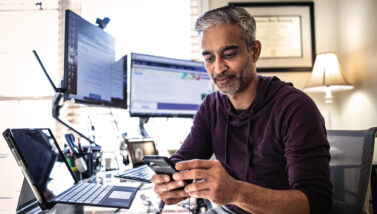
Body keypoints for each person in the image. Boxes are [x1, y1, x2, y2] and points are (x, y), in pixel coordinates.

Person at [151, 6, 332, 214]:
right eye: (209, 58)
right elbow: (183, 161)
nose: (218, 68)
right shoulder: (211, 107)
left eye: (228, 54)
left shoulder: (295, 108)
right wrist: (169, 183)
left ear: (254, 51)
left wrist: (236, 192)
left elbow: (317, 204)